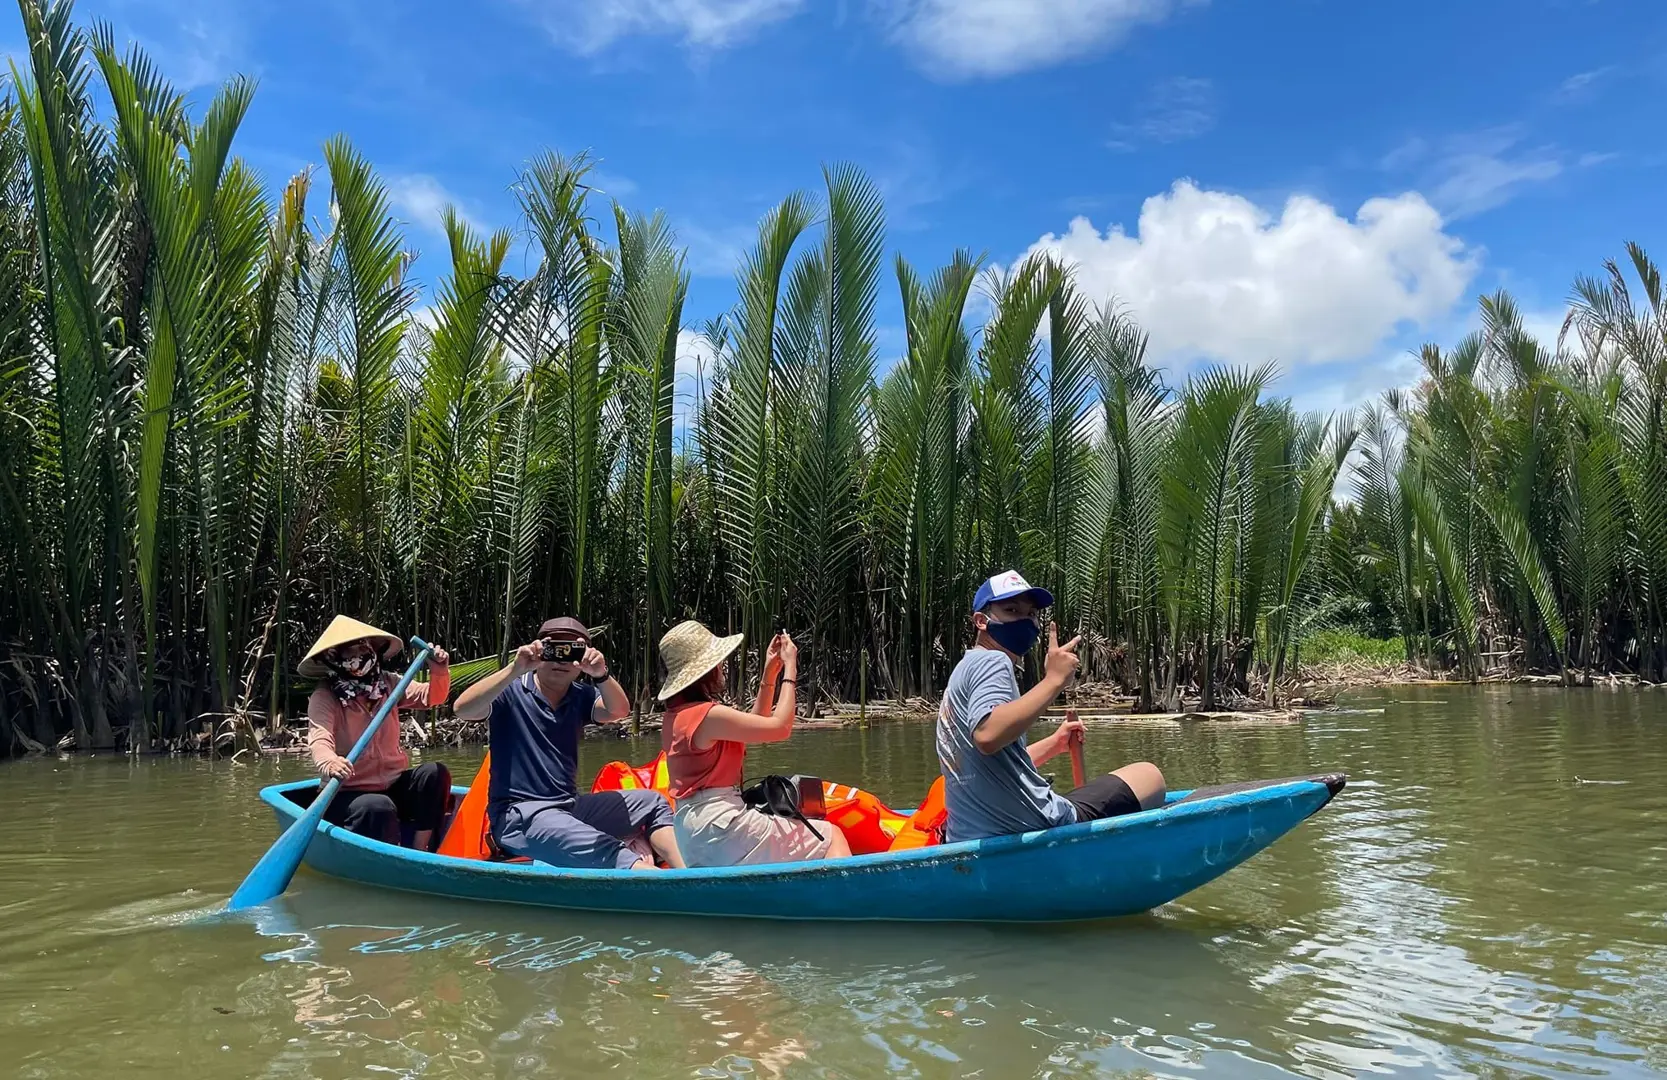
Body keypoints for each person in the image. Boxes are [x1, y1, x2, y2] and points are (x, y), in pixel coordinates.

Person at [938, 570, 1165, 844]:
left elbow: (989, 762)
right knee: (1149, 775)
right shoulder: (993, 662)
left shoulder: (964, 670)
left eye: (1031, 613)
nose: (1025, 620)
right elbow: (987, 736)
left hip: (968, 834)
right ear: (981, 621)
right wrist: (1054, 681)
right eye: (1011, 610)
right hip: (1025, 824)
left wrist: (1055, 743)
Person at [452, 617, 683, 871]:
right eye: (553, 649)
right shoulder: (510, 691)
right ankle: (661, 883)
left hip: (569, 807)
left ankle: (688, 873)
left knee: (653, 803)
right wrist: (515, 668)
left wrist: (601, 674)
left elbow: (618, 711)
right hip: (520, 816)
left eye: (572, 650)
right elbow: (462, 709)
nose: (561, 660)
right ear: (538, 649)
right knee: (601, 845)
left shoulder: (581, 695)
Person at [658, 619, 851, 867]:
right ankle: (837, 902)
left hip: (691, 831)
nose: (721, 668)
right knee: (830, 835)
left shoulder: (675, 717)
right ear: (705, 673)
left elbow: (756, 726)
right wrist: (791, 669)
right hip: (721, 826)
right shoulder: (707, 715)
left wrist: (770, 673)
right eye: (717, 664)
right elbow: (780, 728)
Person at [302, 615, 453, 850]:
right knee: (376, 806)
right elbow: (320, 740)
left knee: (434, 774)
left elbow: (431, 697)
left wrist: (439, 671)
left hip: (391, 784)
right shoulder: (326, 695)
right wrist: (331, 762)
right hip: (348, 792)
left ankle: (420, 848)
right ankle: (385, 860)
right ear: (334, 658)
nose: (359, 656)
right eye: (350, 652)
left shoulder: (388, 684)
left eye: (363, 648)